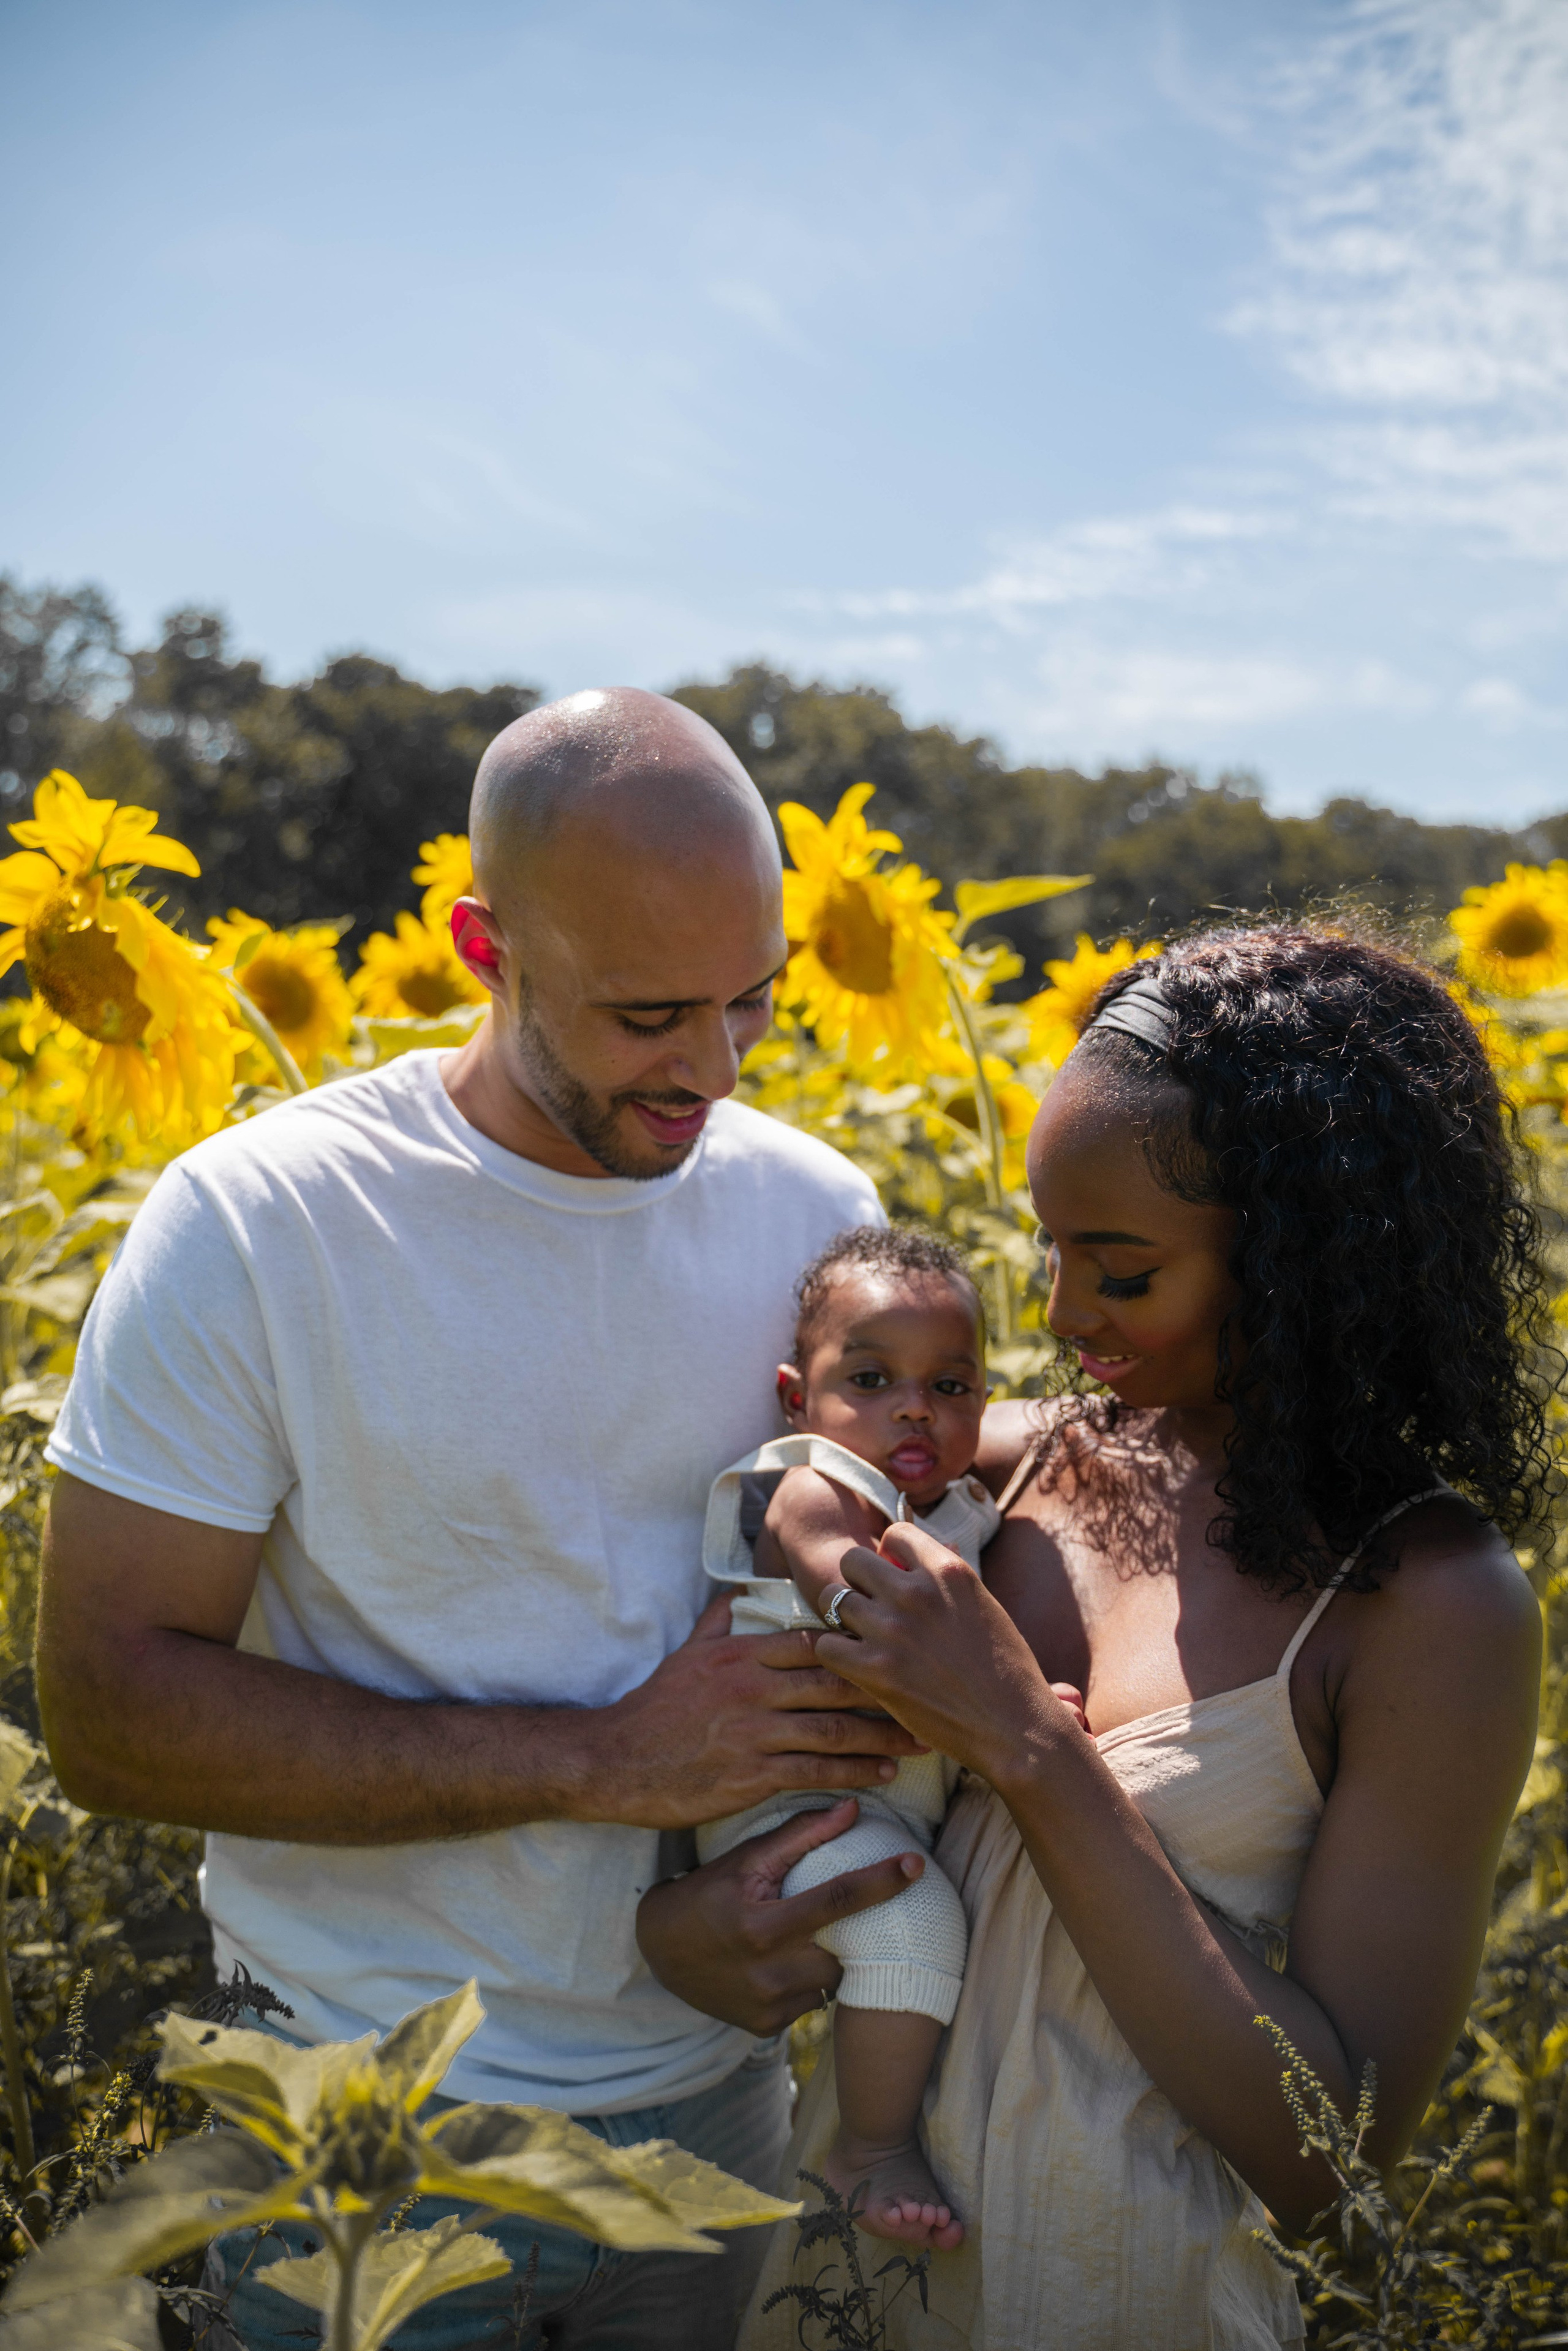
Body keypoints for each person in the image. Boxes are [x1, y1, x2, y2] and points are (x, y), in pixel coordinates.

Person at [34, 688, 929, 2351]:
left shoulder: (818, 1216)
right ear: (480, 943)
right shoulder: (264, 1221)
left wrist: (776, 1901)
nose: (714, 1071)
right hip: (363, 2111)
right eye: (651, 1012)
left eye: (755, 1003)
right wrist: (598, 1760)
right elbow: (106, 1710)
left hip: (718, 2102)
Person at [643, 923, 1548, 2351]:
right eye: (1048, 1251)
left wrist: (1018, 1737)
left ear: (1311, 1261)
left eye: (1120, 1271)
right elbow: (791, 1507)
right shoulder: (998, 1464)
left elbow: (1331, 2155)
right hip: (845, 2291)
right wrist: (688, 1930)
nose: (1061, 1316)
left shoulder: (1427, 1604)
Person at [697, 1226, 999, 2252]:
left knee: (919, 1899)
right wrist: (856, 1604)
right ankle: (867, 2149)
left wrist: (1021, 1688)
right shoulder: (814, 1482)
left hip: (869, 1795)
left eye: (951, 1386)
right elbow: (837, 1578)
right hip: (784, 1806)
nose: (915, 1406)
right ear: (798, 1398)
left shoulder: (959, 1510)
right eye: (870, 1378)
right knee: (911, 1917)